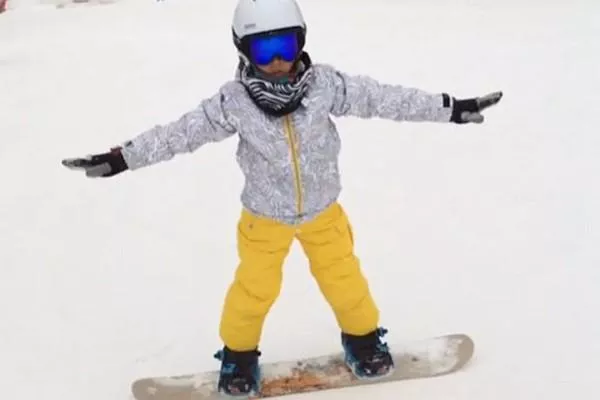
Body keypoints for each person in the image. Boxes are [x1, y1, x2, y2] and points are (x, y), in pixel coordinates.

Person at [63, 0, 502, 396]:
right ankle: (238, 356)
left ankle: (364, 341)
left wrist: (451, 108)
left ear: (301, 42)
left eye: (285, 47)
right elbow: (180, 133)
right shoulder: (233, 103)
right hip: (264, 220)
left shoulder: (326, 86)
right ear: (243, 51)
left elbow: (385, 98)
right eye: (263, 51)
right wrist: (124, 158)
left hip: (323, 214)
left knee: (345, 282)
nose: (276, 62)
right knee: (252, 292)